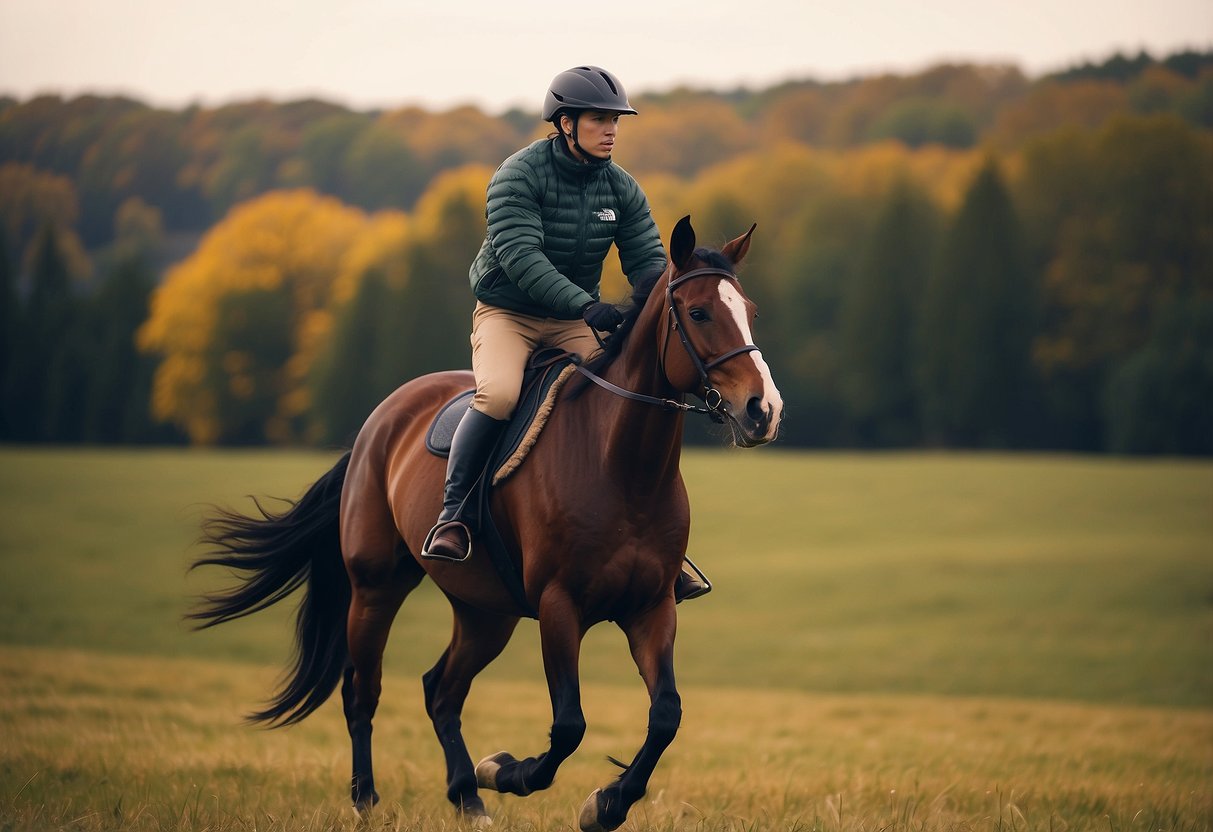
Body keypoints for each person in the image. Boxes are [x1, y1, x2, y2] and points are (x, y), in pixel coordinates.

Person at [423, 65, 711, 603]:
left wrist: (657, 297)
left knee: (626, 394)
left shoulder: (621, 187)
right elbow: (520, 257)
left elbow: (648, 260)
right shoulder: (518, 175)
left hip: (576, 318)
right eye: (600, 120)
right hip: (509, 313)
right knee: (501, 394)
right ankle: (454, 514)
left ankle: (659, 541)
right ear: (564, 123)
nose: (611, 130)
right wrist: (588, 306)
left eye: (615, 121)